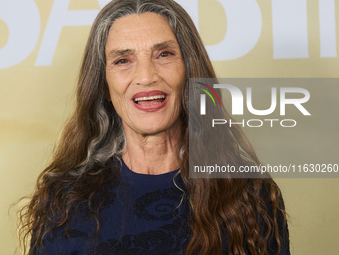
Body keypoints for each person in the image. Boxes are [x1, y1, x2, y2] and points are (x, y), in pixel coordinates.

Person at [18, 0, 290, 254]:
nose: (146, 76)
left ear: (189, 72)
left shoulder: (249, 192)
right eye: (123, 60)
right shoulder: (64, 200)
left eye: (164, 54)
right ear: (104, 85)